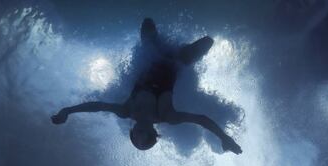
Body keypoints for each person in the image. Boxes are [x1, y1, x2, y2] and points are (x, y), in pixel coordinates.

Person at [51, 18, 242, 154]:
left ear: (132, 131)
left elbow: (97, 106)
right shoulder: (167, 116)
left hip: (154, 55)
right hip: (177, 62)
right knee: (209, 41)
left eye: (136, 134)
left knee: (147, 23)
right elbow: (202, 120)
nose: (140, 130)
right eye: (145, 134)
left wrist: (68, 110)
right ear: (153, 133)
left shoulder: (127, 110)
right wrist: (224, 137)